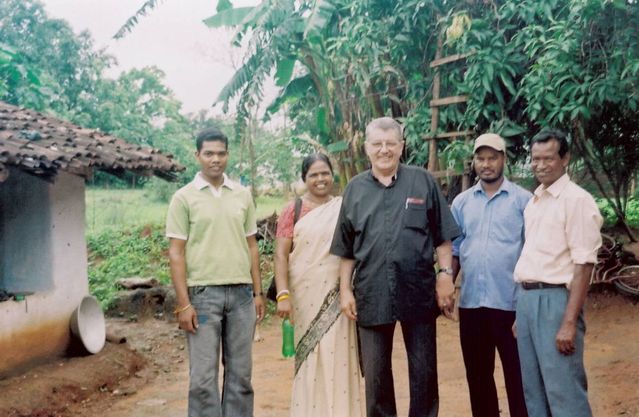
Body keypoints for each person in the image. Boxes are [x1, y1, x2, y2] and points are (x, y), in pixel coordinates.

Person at [330, 117, 460, 417]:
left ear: (401, 147)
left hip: (418, 290)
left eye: (391, 143)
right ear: (367, 148)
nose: (384, 150)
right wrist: (345, 290)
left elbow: (442, 237)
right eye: (377, 144)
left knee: (424, 371)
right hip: (372, 293)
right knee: (375, 377)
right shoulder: (354, 189)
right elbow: (346, 249)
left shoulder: (422, 181)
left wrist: (445, 277)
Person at [165, 127, 265, 417]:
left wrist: (258, 293)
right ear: (197, 155)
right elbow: (176, 253)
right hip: (202, 296)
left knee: (241, 377)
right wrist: (184, 304)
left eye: (221, 153)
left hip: (242, 297)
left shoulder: (242, 195)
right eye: (208, 153)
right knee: (202, 380)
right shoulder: (184, 198)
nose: (215, 159)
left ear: (228, 155)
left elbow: (252, 247)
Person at [513, 129, 602, 417]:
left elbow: (583, 264)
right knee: (534, 392)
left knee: (564, 391)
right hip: (527, 303)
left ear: (565, 159)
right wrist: (520, 314)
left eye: (548, 158)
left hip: (555, 303)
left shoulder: (576, 200)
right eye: (535, 159)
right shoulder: (535, 201)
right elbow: (533, 257)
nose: (540, 165)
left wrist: (568, 322)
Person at [273, 153, 363, 417]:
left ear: (332, 175)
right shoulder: (294, 209)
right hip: (304, 293)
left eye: (325, 173)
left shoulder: (345, 206)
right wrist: (283, 294)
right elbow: (280, 255)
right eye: (314, 174)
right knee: (311, 353)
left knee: (340, 353)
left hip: (340, 292)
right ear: (304, 178)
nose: (320, 179)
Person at [450, 133, 530, 417]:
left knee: (519, 378)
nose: (486, 164)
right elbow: (456, 249)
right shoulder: (461, 203)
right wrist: (447, 281)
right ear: (474, 162)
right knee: (478, 378)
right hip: (472, 305)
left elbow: (532, 251)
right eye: (480, 158)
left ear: (504, 160)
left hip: (510, 304)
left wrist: (526, 305)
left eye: (492, 157)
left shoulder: (523, 201)